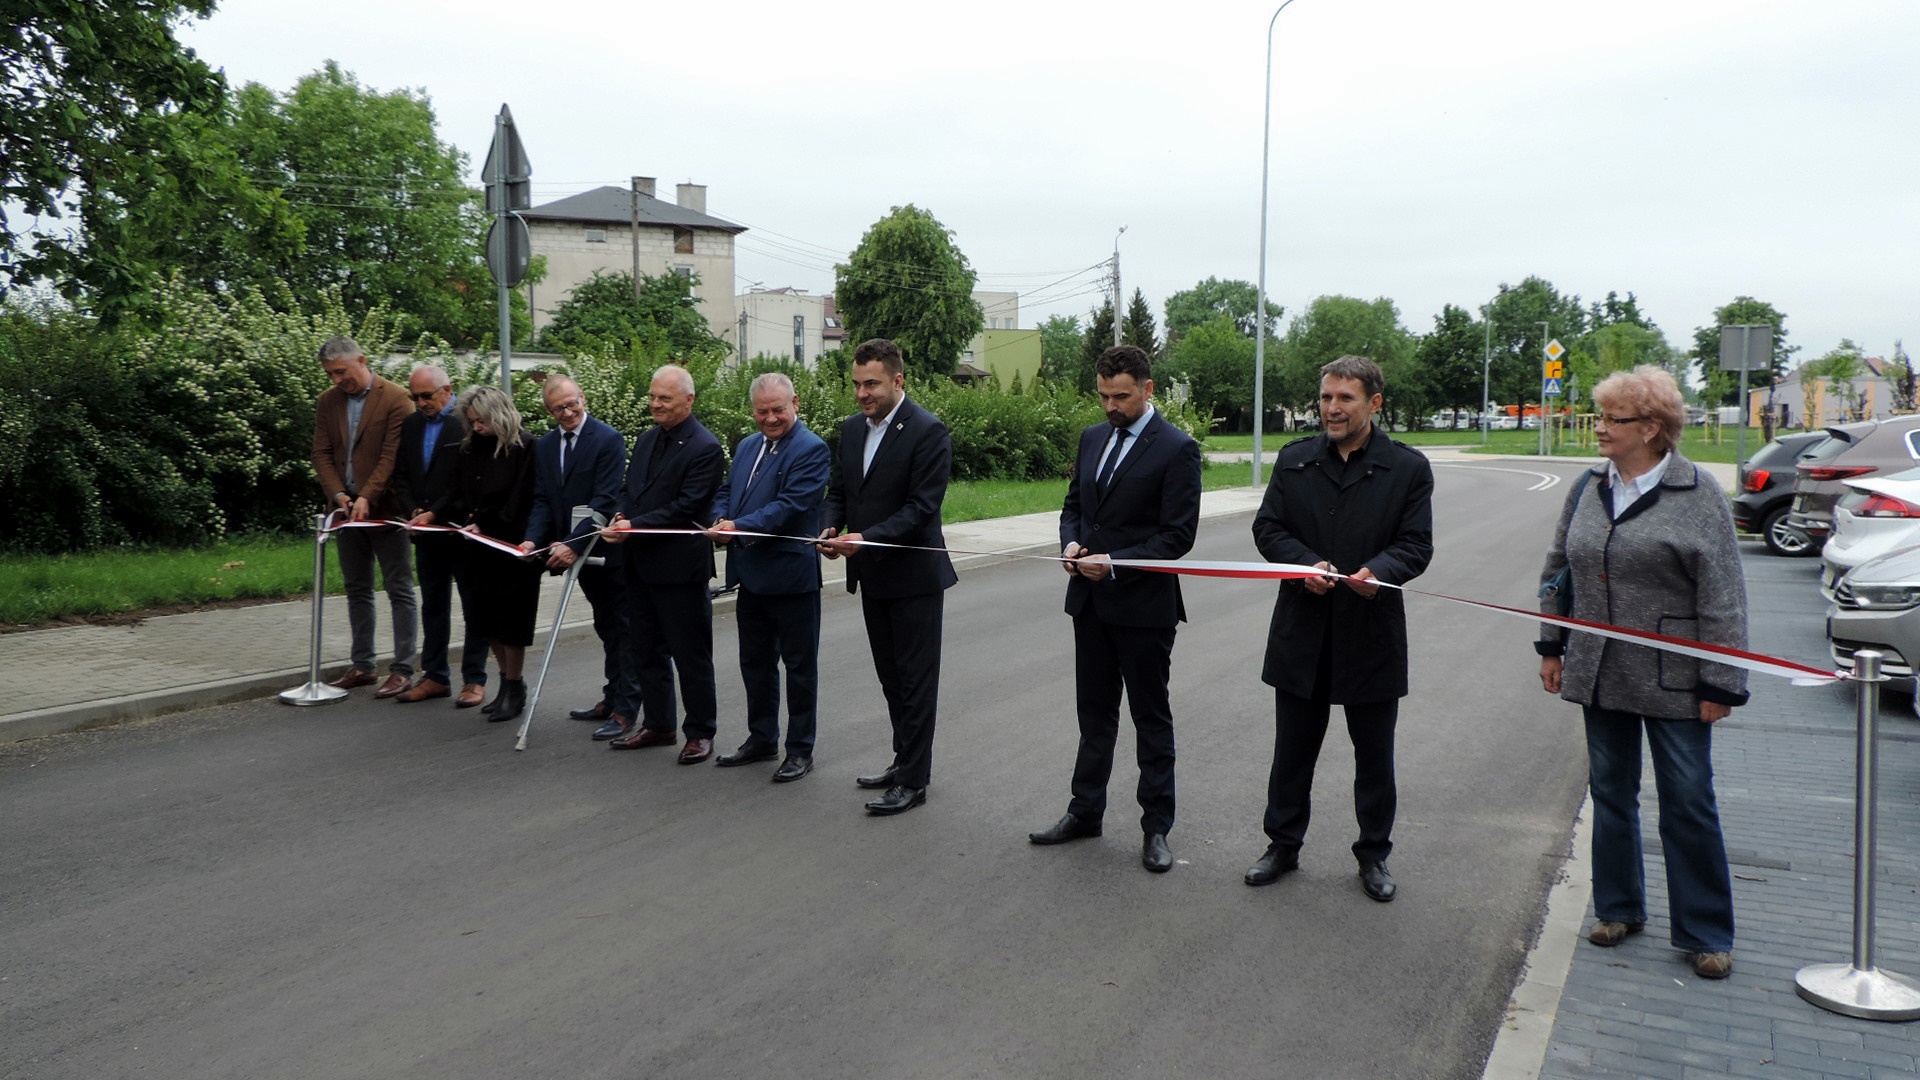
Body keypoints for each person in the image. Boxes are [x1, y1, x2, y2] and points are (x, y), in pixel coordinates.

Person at [1536, 365, 1747, 980]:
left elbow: (1724, 594)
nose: (1599, 428)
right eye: (1600, 416)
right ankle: (1618, 908)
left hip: (1676, 677)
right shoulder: (1587, 488)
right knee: (1610, 793)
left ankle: (1705, 932)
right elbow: (1559, 568)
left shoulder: (1697, 493)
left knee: (1687, 801)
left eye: (1612, 420)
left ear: (1653, 429)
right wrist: (1552, 644)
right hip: (1599, 670)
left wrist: (1721, 680)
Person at [1246, 355, 1434, 903]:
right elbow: (1268, 529)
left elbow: (1416, 544)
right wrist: (1306, 564)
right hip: (1303, 628)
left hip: (1370, 630)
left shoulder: (1407, 468)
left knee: (1374, 756)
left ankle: (1373, 855)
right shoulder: (1296, 460)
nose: (1331, 408)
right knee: (1292, 751)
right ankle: (1282, 845)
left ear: (1374, 403)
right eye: (1326, 397)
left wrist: (1383, 572)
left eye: (1344, 398)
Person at [1029, 345, 1203, 873]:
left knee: (1150, 718)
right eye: (1103, 395)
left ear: (1147, 390)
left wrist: (1117, 562)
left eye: (1121, 396)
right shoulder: (1092, 438)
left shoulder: (1176, 449)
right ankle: (1085, 811)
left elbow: (1178, 536)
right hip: (1090, 604)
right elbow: (1074, 508)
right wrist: (1071, 545)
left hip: (1145, 608)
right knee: (1094, 715)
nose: (1111, 405)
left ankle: (1156, 828)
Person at [819, 338, 958, 816]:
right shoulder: (851, 431)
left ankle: (915, 781)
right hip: (871, 577)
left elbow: (922, 509)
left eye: (872, 383)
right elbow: (840, 491)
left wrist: (865, 538)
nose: (863, 393)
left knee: (916, 682)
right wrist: (831, 526)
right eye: (856, 384)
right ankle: (904, 760)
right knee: (891, 679)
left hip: (914, 577)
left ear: (899, 380)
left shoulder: (928, 431)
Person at [706, 372, 831, 783]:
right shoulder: (746, 446)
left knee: (799, 668)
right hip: (751, 576)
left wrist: (737, 527)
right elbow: (727, 491)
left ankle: (800, 750)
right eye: (763, 411)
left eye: (778, 409)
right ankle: (761, 739)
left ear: (796, 403)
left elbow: (790, 507)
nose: (771, 418)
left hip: (792, 577)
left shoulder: (811, 449)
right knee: (754, 664)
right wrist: (718, 518)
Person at [600, 365, 725, 763]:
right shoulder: (647, 439)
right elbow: (627, 489)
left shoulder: (705, 447)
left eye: (664, 399)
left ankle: (700, 732)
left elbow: (687, 507)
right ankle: (659, 724)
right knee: (645, 650)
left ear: (688, 400)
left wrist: (634, 526)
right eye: (652, 397)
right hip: (639, 565)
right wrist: (620, 517)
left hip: (680, 570)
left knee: (690, 655)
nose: (655, 404)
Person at [516, 375, 635, 740]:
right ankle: (611, 695)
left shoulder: (608, 439)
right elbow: (542, 499)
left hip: (605, 551)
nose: (568, 412)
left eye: (572, 403)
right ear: (548, 410)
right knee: (604, 626)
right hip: (575, 554)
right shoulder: (546, 446)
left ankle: (625, 708)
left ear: (582, 397)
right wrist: (531, 540)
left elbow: (604, 500)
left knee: (623, 630)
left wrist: (572, 543)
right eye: (559, 408)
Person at [423, 385, 539, 721]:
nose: (476, 427)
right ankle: (505, 681)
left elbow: (522, 500)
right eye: (471, 421)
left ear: (499, 415)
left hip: (511, 549)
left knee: (510, 622)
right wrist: (438, 515)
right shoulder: (470, 448)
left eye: (482, 421)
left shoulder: (526, 447)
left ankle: (514, 685)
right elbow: (457, 492)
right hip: (476, 547)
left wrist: (487, 522)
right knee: (484, 619)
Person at [310, 336, 418, 698]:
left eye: (341, 371)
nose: (338, 380)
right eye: (331, 374)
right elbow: (321, 454)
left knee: (398, 586)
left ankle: (403, 668)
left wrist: (367, 496)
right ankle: (364, 665)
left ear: (362, 360)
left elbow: (392, 455)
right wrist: (340, 495)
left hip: (385, 511)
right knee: (357, 588)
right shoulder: (328, 402)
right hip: (344, 513)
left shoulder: (396, 398)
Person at [390, 365, 490, 707]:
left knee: (474, 606)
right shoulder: (412, 424)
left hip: (461, 530)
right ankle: (434, 675)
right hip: (426, 531)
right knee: (432, 605)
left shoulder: (465, 423)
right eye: (414, 396)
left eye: (427, 396)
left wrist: (438, 512)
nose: (420, 403)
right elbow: (401, 473)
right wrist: (412, 510)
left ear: (448, 390)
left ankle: (475, 679)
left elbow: (466, 479)